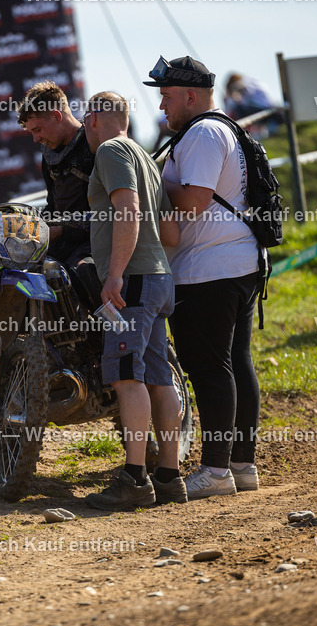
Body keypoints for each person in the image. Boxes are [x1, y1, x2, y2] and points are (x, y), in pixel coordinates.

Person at [144, 55, 263, 498]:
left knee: (210, 369)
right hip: (235, 262)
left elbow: (194, 201)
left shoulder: (203, 133)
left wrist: (151, 183)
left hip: (207, 269)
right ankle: (240, 466)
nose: (162, 106)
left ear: (190, 96)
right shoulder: (223, 128)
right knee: (235, 364)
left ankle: (215, 471)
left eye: (167, 97)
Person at [80, 91, 185, 510]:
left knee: (127, 377)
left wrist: (115, 273)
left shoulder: (110, 150)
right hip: (159, 278)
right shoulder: (146, 158)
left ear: (92, 119)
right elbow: (172, 233)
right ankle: (170, 477)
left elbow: (128, 209)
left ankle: (135, 478)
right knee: (160, 377)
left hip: (134, 283)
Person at [17, 81, 93, 268]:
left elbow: (112, 211)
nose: (36, 139)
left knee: (83, 271)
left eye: (37, 130)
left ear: (57, 116)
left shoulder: (94, 145)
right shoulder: (49, 153)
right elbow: (52, 204)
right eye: (31, 132)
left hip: (94, 242)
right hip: (62, 244)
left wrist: (61, 231)